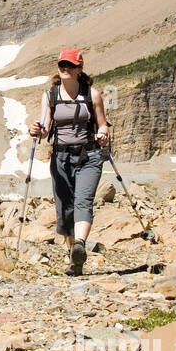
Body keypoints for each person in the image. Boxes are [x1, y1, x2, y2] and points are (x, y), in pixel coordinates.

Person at [29, 48, 110, 275]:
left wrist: (103, 134)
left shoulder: (92, 94)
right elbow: (45, 129)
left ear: (79, 68)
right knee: (64, 207)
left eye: (70, 65)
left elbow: (103, 123)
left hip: (89, 155)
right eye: (62, 65)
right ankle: (73, 257)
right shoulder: (50, 96)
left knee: (83, 200)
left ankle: (79, 245)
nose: (65, 68)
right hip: (61, 157)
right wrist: (35, 130)